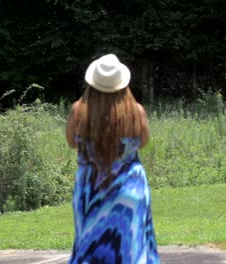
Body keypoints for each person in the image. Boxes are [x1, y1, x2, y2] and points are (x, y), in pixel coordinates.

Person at [66, 54, 160, 264]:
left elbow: (72, 143)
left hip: (90, 192)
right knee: (132, 251)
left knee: (89, 248)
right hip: (130, 190)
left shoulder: (78, 111)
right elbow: (144, 143)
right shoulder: (136, 112)